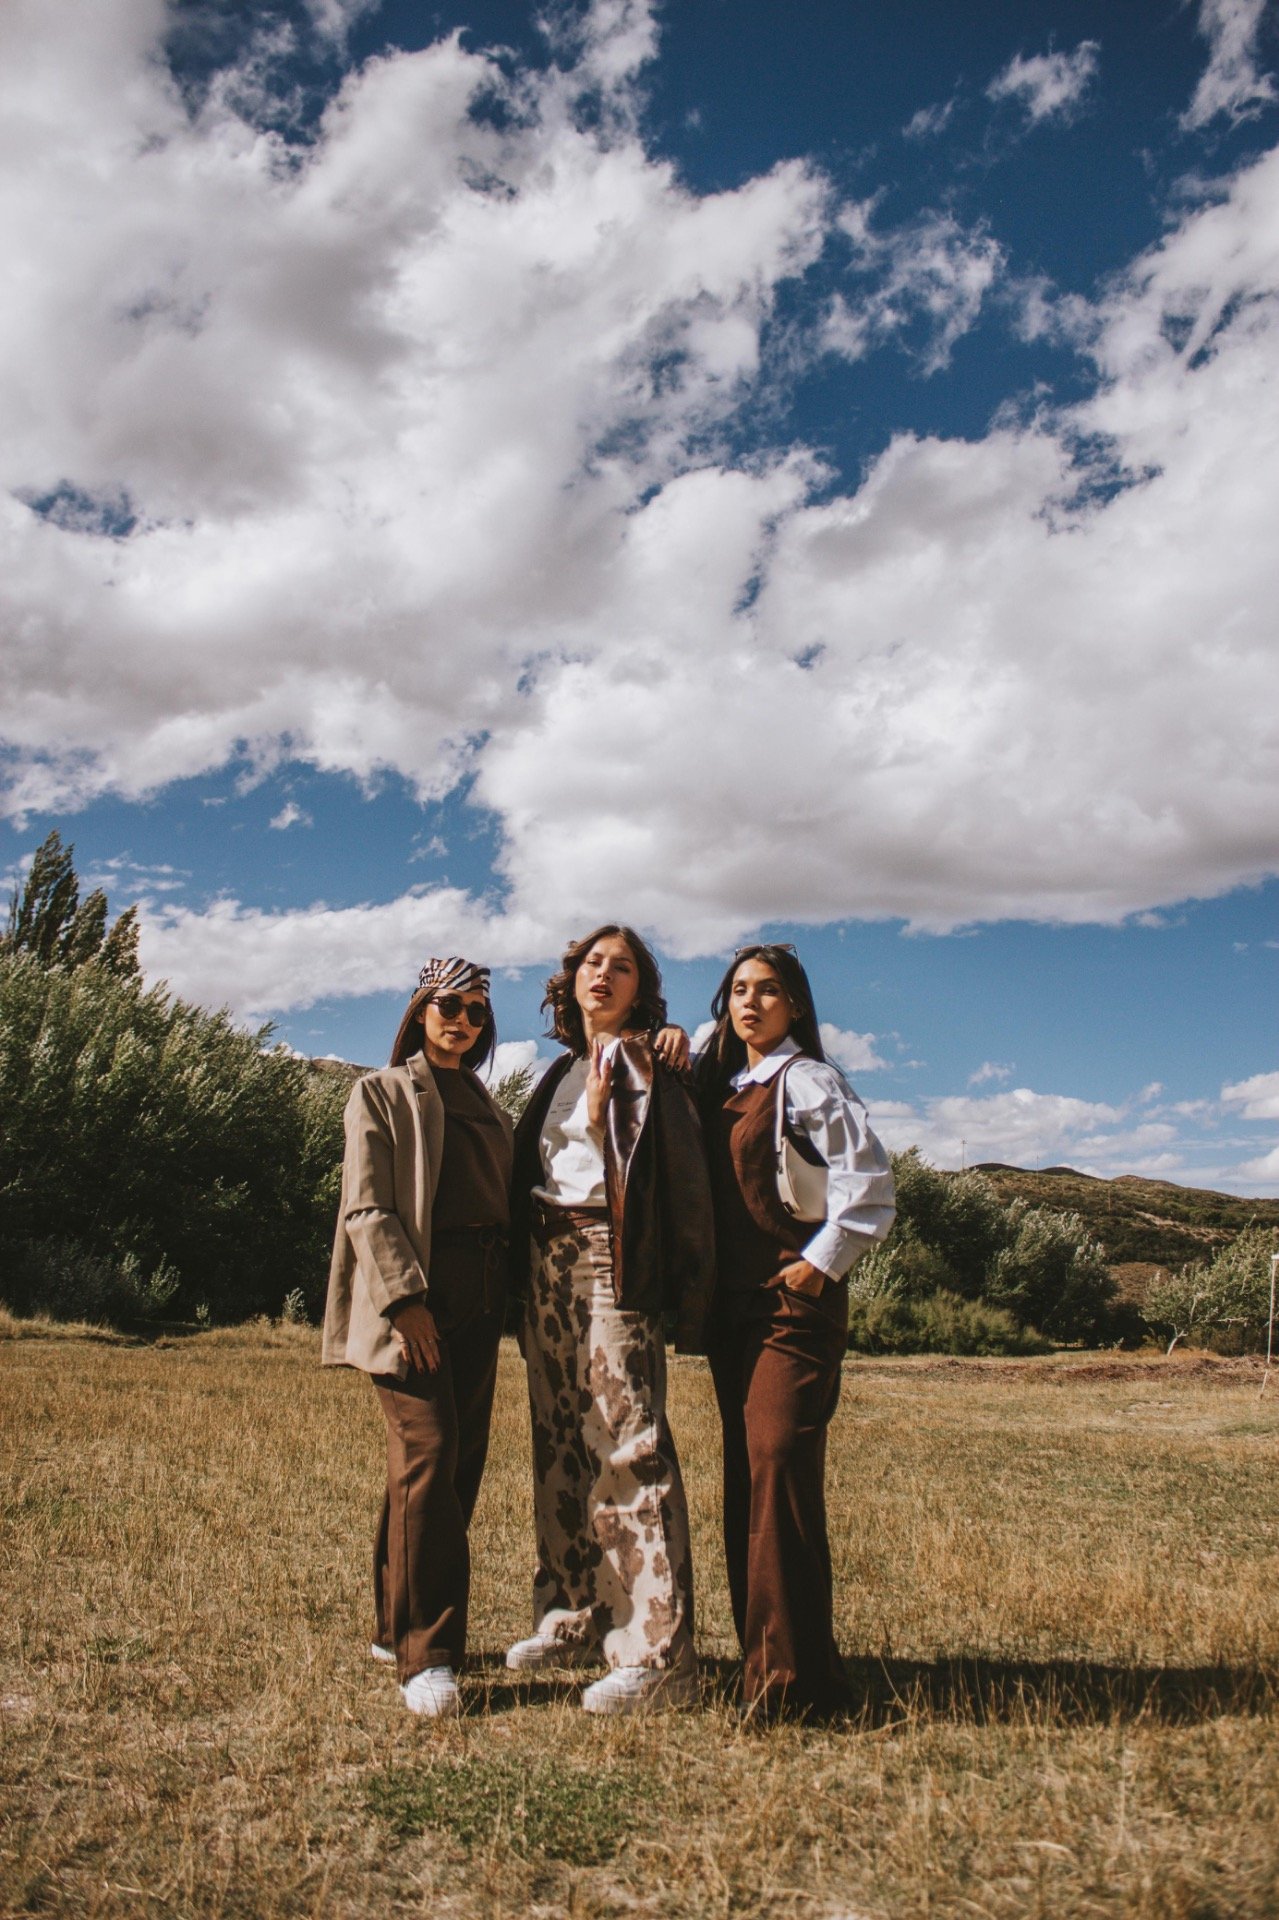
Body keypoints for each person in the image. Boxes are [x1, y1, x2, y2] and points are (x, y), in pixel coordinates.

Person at [505, 925, 715, 1714]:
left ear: (640, 989)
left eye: (621, 967)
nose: (603, 974)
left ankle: (659, 1653)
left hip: (608, 1252)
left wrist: (662, 1051)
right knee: (559, 1439)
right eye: (592, 963)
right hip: (545, 1255)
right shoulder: (559, 1067)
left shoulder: (647, 1059)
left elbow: (671, 1158)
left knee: (626, 1440)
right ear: (570, 980)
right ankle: (574, 1615)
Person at [696, 944, 895, 1719]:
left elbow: (868, 1182)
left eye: (768, 990)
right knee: (749, 1480)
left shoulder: (809, 1079)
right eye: (738, 990)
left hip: (792, 1310)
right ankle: (765, 1666)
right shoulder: (724, 1085)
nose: (750, 1002)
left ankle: (799, 1687)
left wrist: (820, 1265)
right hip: (732, 1313)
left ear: (796, 1005)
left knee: (779, 1467)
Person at [322, 956, 512, 1718]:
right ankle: (426, 1656)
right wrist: (404, 1301)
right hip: (418, 1299)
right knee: (429, 1454)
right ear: (420, 1010)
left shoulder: (490, 1106)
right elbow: (366, 1208)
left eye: (475, 1011)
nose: (461, 1020)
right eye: (448, 1006)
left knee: (450, 1466)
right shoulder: (382, 1092)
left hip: (483, 1297)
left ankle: (390, 1626)